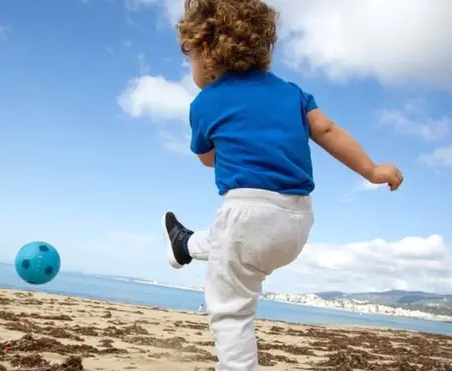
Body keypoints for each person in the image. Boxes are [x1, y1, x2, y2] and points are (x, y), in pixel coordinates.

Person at [161, 1, 404, 370]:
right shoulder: (292, 92)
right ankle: (184, 246)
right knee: (226, 239)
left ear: (207, 51)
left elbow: (207, 159)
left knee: (231, 312)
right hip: (296, 221)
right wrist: (371, 170)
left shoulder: (204, 103)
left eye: (190, 56)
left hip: (245, 212)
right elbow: (326, 130)